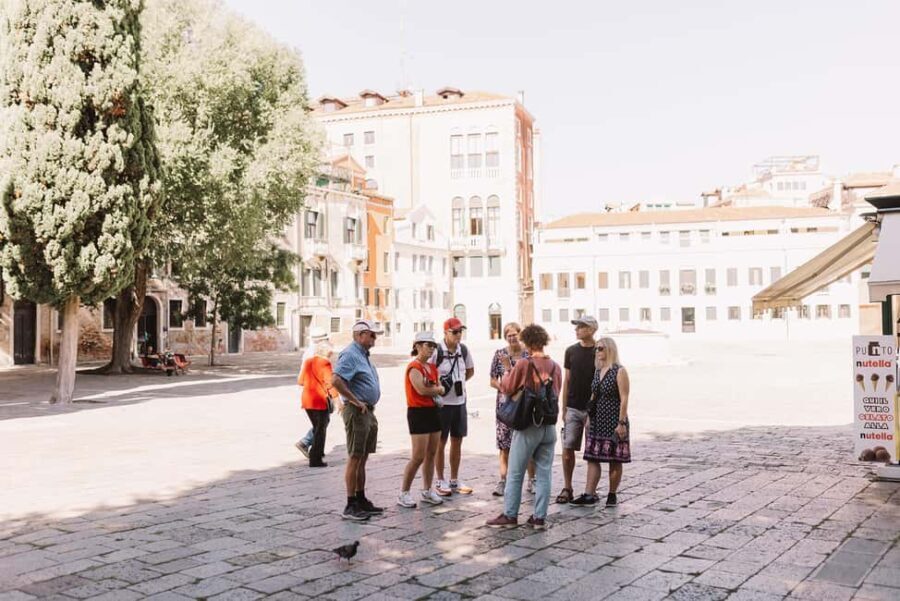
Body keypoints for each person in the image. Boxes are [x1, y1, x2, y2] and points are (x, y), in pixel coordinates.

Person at [486, 324, 561, 530]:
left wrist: (509, 369)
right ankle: (539, 518)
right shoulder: (555, 366)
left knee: (516, 472)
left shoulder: (523, 364)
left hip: (528, 425)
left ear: (526, 342)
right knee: (544, 473)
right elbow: (556, 393)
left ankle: (510, 515)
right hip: (549, 426)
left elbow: (508, 388)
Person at [331, 319, 384, 521]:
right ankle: (350, 504)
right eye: (372, 334)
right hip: (356, 411)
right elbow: (335, 380)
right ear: (360, 334)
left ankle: (361, 499)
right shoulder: (351, 354)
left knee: (362, 457)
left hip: (367, 411)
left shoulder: (363, 355)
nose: (374, 338)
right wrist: (354, 400)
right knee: (355, 456)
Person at [571, 336, 631, 507]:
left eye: (601, 348)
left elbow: (624, 398)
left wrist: (621, 423)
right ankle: (589, 494)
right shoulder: (598, 371)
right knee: (592, 457)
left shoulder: (619, 371)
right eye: (596, 349)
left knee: (614, 459)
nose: (597, 351)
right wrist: (589, 417)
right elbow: (593, 395)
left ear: (610, 349)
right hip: (597, 420)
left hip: (614, 420)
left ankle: (612, 494)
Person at [398, 332, 447, 508]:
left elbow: (435, 386)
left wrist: (437, 389)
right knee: (418, 456)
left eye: (433, 346)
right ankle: (404, 492)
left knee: (431, 454)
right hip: (418, 412)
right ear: (418, 346)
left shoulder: (432, 368)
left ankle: (427, 490)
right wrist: (439, 390)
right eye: (428, 345)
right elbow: (422, 390)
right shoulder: (414, 367)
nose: (431, 349)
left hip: (433, 411)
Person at [489, 322, 536, 496]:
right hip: (504, 404)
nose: (512, 338)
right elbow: (493, 379)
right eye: (508, 335)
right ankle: (503, 481)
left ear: (520, 334)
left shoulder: (527, 354)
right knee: (504, 445)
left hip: (524, 403)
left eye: (514, 334)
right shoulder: (499, 354)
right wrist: (503, 388)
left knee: (528, 443)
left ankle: (532, 480)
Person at [556, 316, 598, 504]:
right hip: (572, 407)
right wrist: (563, 408)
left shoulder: (600, 350)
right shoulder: (571, 351)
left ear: (591, 329)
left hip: (592, 410)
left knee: (592, 452)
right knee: (567, 449)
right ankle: (567, 487)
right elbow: (567, 380)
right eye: (577, 327)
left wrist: (594, 409)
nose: (577, 330)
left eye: (581, 327)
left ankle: (590, 491)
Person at [432, 317, 475, 496]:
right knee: (440, 443)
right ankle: (440, 480)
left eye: (460, 331)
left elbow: (471, 370)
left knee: (457, 440)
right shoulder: (436, 351)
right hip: (442, 404)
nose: (459, 335)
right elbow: (428, 372)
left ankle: (454, 479)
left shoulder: (463, 350)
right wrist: (441, 386)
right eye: (455, 332)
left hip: (459, 402)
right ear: (445, 333)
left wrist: (459, 383)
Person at [297, 339, 339, 467]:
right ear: (327, 352)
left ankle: (315, 452)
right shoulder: (325, 363)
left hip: (307, 399)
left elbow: (300, 381)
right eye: (331, 353)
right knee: (320, 430)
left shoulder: (308, 361)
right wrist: (337, 401)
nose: (331, 355)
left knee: (318, 427)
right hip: (319, 401)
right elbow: (329, 383)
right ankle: (315, 459)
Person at [295, 328, 330, 458]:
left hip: (308, 393)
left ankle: (314, 447)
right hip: (318, 395)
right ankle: (310, 447)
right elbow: (326, 380)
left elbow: (301, 378)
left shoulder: (309, 353)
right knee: (321, 424)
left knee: (321, 424)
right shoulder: (316, 355)